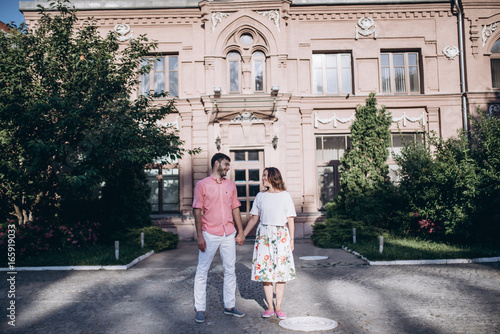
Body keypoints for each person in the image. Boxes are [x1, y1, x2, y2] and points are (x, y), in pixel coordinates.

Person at [192, 153, 246, 323]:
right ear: (217, 163)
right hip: (209, 233)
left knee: (230, 269)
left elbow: (235, 207)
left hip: (228, 233)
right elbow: (197, 210)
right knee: (202, 270)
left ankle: (229, 306)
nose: (228, 168)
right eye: (226, 164)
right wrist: (200, 235)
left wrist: (241, 231)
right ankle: (200, 308)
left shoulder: (230, 185)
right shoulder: (202, 185)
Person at [240, 167, 296, 320]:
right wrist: (243, 234)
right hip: (264, 235)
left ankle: (278, 307)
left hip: (281, 236)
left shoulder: (285, 196)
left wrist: (292, 240)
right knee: (266, 272)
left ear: (272, 177)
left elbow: (290, 219)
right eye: (262, 175)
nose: (262, 178)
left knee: (281, 273)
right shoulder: (260, 196)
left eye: (264, 175)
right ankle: (269, 307)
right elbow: (253, 218)